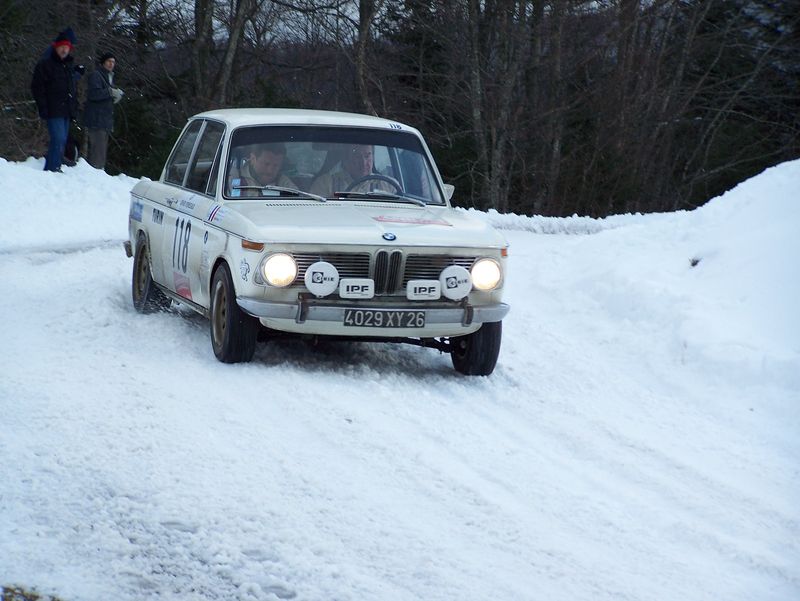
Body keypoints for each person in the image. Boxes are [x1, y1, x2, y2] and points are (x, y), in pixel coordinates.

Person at [31, 28, 83, 172]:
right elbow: (37, 88)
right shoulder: (46, 64)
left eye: (67, 48)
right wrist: (43, 107)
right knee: (58, 138)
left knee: (62, 139)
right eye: (61, 47)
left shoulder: (68, 66)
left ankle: (55, 165)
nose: (64, 50)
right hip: (53, 108)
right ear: (56, 47)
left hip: (66, 108)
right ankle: (52, 168)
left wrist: (74, 107)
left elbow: (71, 87)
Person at [83, 52, 123, 170]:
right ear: (103, 62)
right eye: (109, 61)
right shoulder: (96, 75)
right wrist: (110, 92)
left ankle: (98, 173)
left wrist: (115, 97)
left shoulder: (109, 77)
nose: (111, 64)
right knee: (97, 152)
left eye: (113, 62)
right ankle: (95, 174)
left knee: (101, 151)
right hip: (97, 119)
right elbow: (93, 94)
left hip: (104, 120)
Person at [310, 144, 395, 197]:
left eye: (367, 156)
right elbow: (315, 213)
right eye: (357, 156)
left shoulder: (389, 185)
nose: (363, 162)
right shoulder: (325, 183)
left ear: (373, 157)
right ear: (346, 160)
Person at [228, 143, 296, 197]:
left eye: (276, 165)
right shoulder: (234, 178)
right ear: (253, 159)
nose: (270, 171)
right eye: (266, 164)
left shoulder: (283, 181)